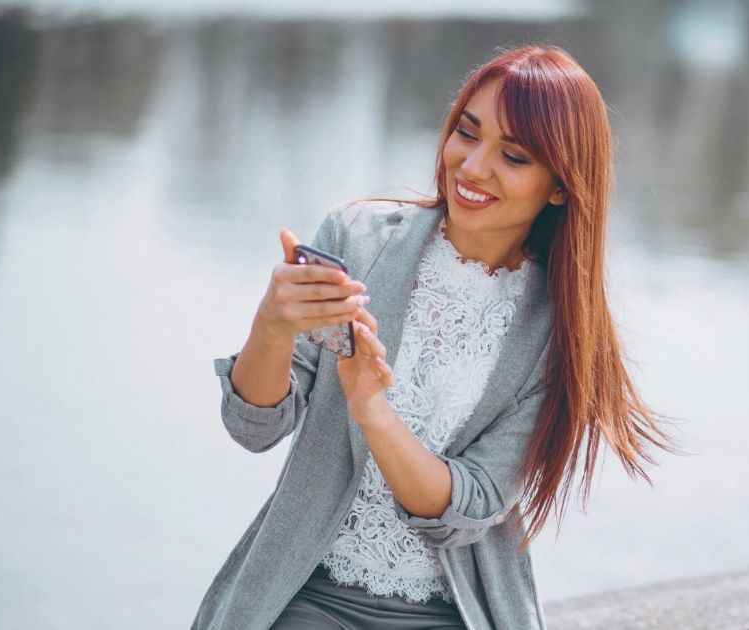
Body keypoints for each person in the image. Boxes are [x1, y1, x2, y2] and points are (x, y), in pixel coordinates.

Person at [191, 44, 680, 630]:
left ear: (560, 186)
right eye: (467, 133)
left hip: (453, 611)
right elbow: (252, 427)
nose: (472, 166)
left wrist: (373, 411)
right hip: (307, 593)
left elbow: (467, 508)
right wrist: (271, 324)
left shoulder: (560, 335)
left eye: (514, 156)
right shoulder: (358, 239)